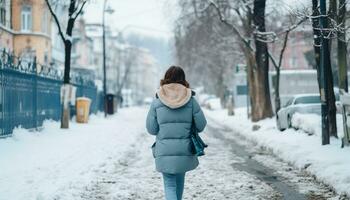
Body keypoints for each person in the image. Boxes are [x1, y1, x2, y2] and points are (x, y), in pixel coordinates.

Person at [146, 66, 207, 200]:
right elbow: (201, 125)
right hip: (184, 149)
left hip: (164, 150)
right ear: (183, 79)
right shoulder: (191, 100)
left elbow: (151, 129)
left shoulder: (157, 102)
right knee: (179, 182)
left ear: (165, 79)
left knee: (169, 185)